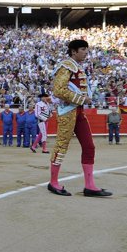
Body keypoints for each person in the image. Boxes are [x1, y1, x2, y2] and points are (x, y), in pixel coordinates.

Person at [48, 39, 112, 197]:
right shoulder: (66, 66)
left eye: (86, 49)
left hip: (79, 112)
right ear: (73, 51)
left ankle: (89, 185)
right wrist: (82, 99)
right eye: (83, 49)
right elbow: (58, 90)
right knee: (61, 146)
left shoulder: (77, 67)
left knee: (89, 146)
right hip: (68, 112)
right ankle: (53, 182)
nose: (86, 52)